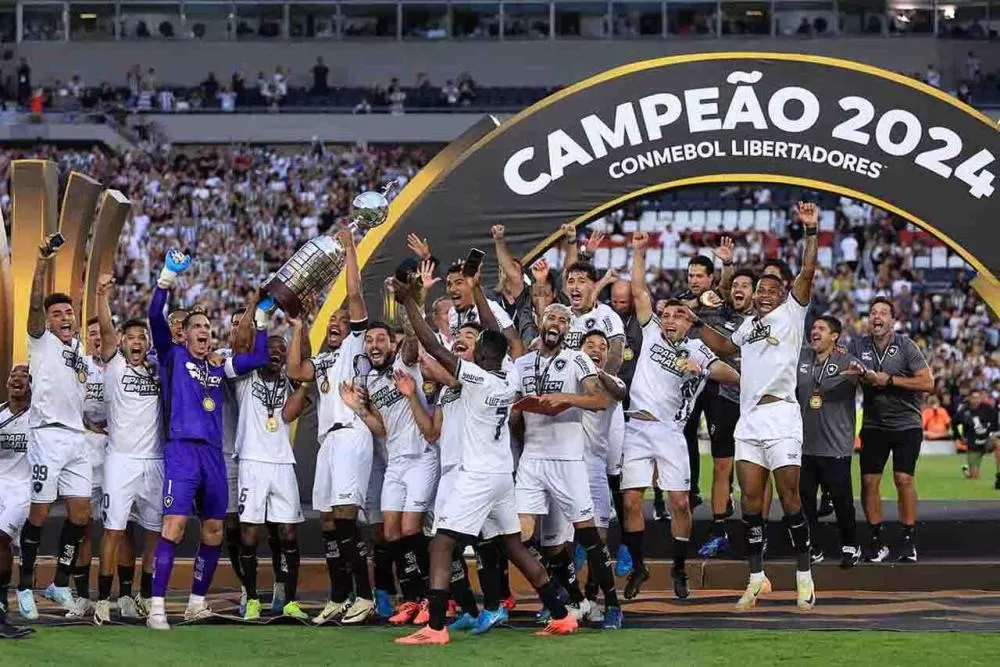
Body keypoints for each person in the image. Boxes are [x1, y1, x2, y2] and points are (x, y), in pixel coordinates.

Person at [391, 274, 580, 644]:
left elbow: (432, 343)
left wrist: (408, 303)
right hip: (501, 476)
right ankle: (561, 613)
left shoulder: (476, 377)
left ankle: (435, 628)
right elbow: (496, 336)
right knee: (513, 546)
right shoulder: (509, 380)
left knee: (442, 543)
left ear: (479, 355)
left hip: (476, 475)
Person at [696, 201, 820, 611]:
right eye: (760, 290)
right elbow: (726, 347)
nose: (764, 293)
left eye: (771, 289)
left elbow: (807, 273)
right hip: (749, 420)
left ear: (782, 294)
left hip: (782, 414)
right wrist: (693, 322)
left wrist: (811, 233)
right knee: (750, 503)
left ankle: (804, 576)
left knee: (790, 501)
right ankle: (756, 578)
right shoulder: (749, 326)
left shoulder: (792, 313)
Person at [145, 250, 271, 631]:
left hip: (215, 456)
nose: (206, 332)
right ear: (184, 332)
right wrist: (167, 277)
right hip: (182, 450)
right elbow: (154, 316)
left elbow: (260, 356)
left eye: (209, 329)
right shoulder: (171, 355)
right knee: (175, 526)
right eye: (198, 326)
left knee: (215, 530)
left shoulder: (219, 365)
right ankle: (156, 607)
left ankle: (196, 603)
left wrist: (262, 318)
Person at [621, 231, 739, 601]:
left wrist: (700, 369)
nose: (669, 319)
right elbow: (640, 293)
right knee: (629, 501)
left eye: (676, 316)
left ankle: (677, 566)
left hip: (670, 432)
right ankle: (638, 565)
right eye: (666, 314)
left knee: (680, 503)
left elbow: (732, 374)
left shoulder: (697, 349)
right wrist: (638, 253)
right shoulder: (653, 333)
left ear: (688, 323)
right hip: (635, 427)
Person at [287, 225, 378, 626]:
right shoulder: (324, 360)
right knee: (326, 519)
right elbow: (295, 368)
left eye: (344, 318)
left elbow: (355, 294)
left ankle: (365, 595)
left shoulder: (356, 350)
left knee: (344, 514)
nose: (339, 321)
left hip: (352, 433)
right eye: (334, 320)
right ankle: (340, 595)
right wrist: (297, 327)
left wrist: (351, 250)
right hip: (328, 443)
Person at [511, 302, 623, 629]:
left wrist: (566, 399)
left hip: (568, 459)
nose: (556, 322)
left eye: (563, 319)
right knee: (521, 538)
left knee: (588, 535)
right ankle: (572, 598)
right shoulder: (522, 363)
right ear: (540, 321)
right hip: (532, 457)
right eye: (551, 316)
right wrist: (516, 414)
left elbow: (600, 400)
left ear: (568, 328)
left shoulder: (577, 359)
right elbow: (514, 409)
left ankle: (613, 605)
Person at [338, 311, 438, 626]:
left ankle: (428, 598)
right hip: (395, 462)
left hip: (422, 457)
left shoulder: (403, 365)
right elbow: (381, 429)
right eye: (369, 340)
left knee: (411, 529)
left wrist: (411, 302)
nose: (374, 344)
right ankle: (409, 598)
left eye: (381, 338)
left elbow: (413, 339)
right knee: (391, 531)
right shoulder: (370, 380)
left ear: (391, 343)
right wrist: (358, 408)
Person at [17, 238, 93, 619]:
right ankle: (25, 585)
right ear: (47, 321)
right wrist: (42, 263)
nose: (65, 317)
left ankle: (58, 583)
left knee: (81, 514)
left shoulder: (80, 351)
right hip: (46, 434)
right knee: (41, 513)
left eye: (69, 312)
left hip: (77, 438)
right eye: (58, 313)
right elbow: (33, 304)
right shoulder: (41, 340)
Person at [91, 275, 163, 625]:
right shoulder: (115, 364)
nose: (137, 341)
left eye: (142, 337)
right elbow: (105, 329)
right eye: (131, 336)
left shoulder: (156, 369)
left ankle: (143, 595)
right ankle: (104, 599)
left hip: (155, 461)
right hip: (120, 460)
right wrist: (103, 295)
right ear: (122, 342)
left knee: (154, 533)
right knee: (114, 531)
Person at [848, 296, 934, 564]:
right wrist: (855, 374)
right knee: (868, 482)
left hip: (906, 424)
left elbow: (927, 382)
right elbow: (845, 369)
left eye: (883, 313)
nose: (877, 317)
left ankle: (908, 538)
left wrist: (890, 380)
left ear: (892, 320)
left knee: (903, 479)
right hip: (874, 424)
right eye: (873, 312)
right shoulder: (858, 345)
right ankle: (876, 538)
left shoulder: (906, 345)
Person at [232, 335, 310, 621]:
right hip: (252, 462)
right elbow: (239, 346)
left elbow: (291, 414)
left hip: (282, 462)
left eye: (282, 350)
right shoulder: (245, 378)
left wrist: (302, 382)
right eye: (271, 348)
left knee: (288, 532)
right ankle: (251, 598)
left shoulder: (289, 382)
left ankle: (289, 601)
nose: (276, 354)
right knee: (249, 534)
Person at [697, 259, 755, 559]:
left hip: (756, 404)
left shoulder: (766, 321)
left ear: (756, 293)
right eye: (735, 286)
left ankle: (755, 530)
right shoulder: (721, 316)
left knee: (755, 470)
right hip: (725, 400)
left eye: (745, 285)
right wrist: (726, 267)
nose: (738, 290)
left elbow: (724, 347)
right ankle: (719, 530)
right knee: (722, 466)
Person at [796, 315, 862, 569]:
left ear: (834, 336)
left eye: (821, 329)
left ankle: (850, 545)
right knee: (805, 502)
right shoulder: (801, 358)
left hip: (835, 446)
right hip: (804, 445)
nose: (815, 332)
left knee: (842, 500)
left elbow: (862, 376)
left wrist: (856, 376)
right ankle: (813, 546)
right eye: (813, 328)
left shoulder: (846, 360)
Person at [578, 330, 626, 619]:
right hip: (564, 464)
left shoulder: (613, 383)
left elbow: (616, 393)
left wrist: (598, 372)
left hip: (594, 467)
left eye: (602, 346)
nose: (596, 349)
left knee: (599, 537)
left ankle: (595, 598)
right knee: (558, 541)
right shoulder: (569, 374)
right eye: (590, 345)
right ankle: (565, 600)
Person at [0, 366, 33, 638]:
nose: (17, 380)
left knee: (2, 538)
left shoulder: (39, 417)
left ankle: (3, 609)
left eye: (23, 377)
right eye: (13, 376)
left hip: (23, 488)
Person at [956, 389, 999, 483]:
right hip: (973, 444)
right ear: (969, 398)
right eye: (974, 398)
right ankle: (969, 471)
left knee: (998, 443)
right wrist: (960, 437)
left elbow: (995, 422)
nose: (976, 400)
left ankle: (999, 475)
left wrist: (992, 432)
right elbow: (954, 423)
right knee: (974, 477)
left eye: (978, 398)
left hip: (987, 441)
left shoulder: (988, 408)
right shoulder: (964, 411)